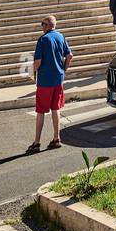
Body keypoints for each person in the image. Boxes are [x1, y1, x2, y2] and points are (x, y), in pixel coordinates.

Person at [25, 14, 72, 154]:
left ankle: (37, 142)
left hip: (45, 81)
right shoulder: (61, 37)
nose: (41, 26)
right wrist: (64, 70)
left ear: (47, 25)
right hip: (58, 79)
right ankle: (56, 138)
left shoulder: (43, 39)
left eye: (42, 24)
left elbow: (37, 62)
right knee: (55, 109)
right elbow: (69, 56)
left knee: (40, 111)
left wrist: (30, 72)